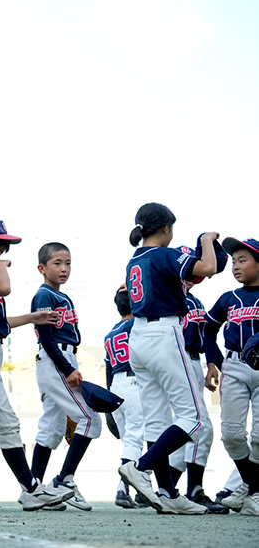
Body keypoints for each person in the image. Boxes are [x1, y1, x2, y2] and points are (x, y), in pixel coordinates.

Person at [0, 220, 73, 512]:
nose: (1, 256)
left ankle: (31, 489)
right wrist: (2, 267)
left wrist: (32, 318)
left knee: (8, 424)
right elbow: (4, 288)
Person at [118, 202, 219, 515]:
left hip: (138, 337)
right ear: (166, 228)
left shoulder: (134, 258)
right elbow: (208, 268)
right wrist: (206, 240)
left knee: (156, 421)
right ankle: (142, 467)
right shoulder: (163, 253)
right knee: (194, 418)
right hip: (164, 333)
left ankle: (167, 493)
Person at [30, 242, 101, 511]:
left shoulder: (61, 296)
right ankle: (64, 480)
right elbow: (46, 339)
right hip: (56, 359)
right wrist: (67, 368)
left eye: (68, 263)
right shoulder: (44, 295)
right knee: (90, 419)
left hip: (61, 359)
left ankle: (35, 488)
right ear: (42, 268)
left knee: (52, 426)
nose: (64, 268)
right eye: (57, 263)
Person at [202, 237, 259, 515]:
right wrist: (212, 362)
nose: (235, 266)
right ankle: (251, 485)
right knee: (232, 435)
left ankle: (252, 491)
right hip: (234, 366)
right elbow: (208, 331)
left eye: (243, 260)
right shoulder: (229, 298)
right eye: (234, 261)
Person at [167, 276, 227, 513]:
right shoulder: (167, 299)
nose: (190, 279)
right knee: (200, 426)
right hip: (177, 362)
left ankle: (167, 487)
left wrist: (219, 365)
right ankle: (194, 490)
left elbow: (207, 338)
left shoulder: (197, 303)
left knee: (187, 428)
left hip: (193, 361)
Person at [104, 287, 145, 508]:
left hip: (117, 385)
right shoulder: (136, 325)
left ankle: (135, 488)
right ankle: (123, 488)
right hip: (135, 383)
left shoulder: (111, 332)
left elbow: (108, 368)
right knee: (135, 440)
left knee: (129, 441)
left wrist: (109, 396)